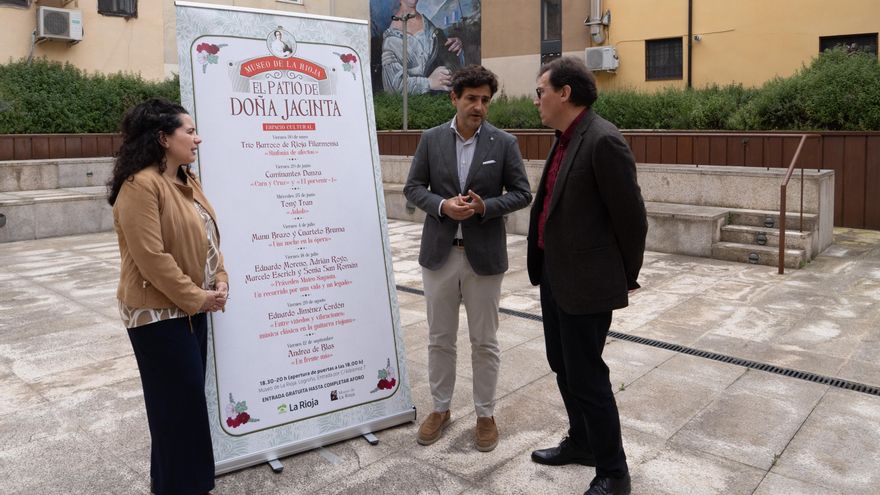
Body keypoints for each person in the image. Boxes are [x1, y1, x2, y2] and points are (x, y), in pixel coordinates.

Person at [527, 57, 647, 495]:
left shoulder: (602, 140)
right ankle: (582, 442)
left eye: (541, 90)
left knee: (588, 376)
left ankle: (614, 471)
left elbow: (632, 218)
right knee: (563, 366)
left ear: (565, 93)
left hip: (587, 283)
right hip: (557, 276)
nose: (536, 98)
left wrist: (623, 275)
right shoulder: (565, 138)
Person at [404, 65, 532, 452]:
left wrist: (484, 207)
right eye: (471, 99)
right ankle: (440, 409)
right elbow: (412, 188)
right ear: (454, 98)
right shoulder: (430, 140)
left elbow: (522, 193)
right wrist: (442, 205)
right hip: (440, 257)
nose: (479, 107)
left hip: (484, 259)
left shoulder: (504, 143)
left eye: (485, 100)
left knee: (485, 341)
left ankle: (485, 414)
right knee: (439, 339)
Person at [107, 98, 228, 495]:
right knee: (175, 409)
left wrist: (220, 278)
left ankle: (183, 484)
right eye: (189, 131)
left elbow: (208, 236)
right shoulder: (138, 185)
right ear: (163, 138)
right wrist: (198, 297)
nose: (197, 138)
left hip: (193, 307)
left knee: (187, 404)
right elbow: (151, 259)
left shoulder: (186, 180)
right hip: (157, 316)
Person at [381, 0, 463, 93]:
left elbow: (453, 66)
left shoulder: (431, 27)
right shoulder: (391, 40)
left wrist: (456, 47)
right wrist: (429, 83)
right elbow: (393, 88)